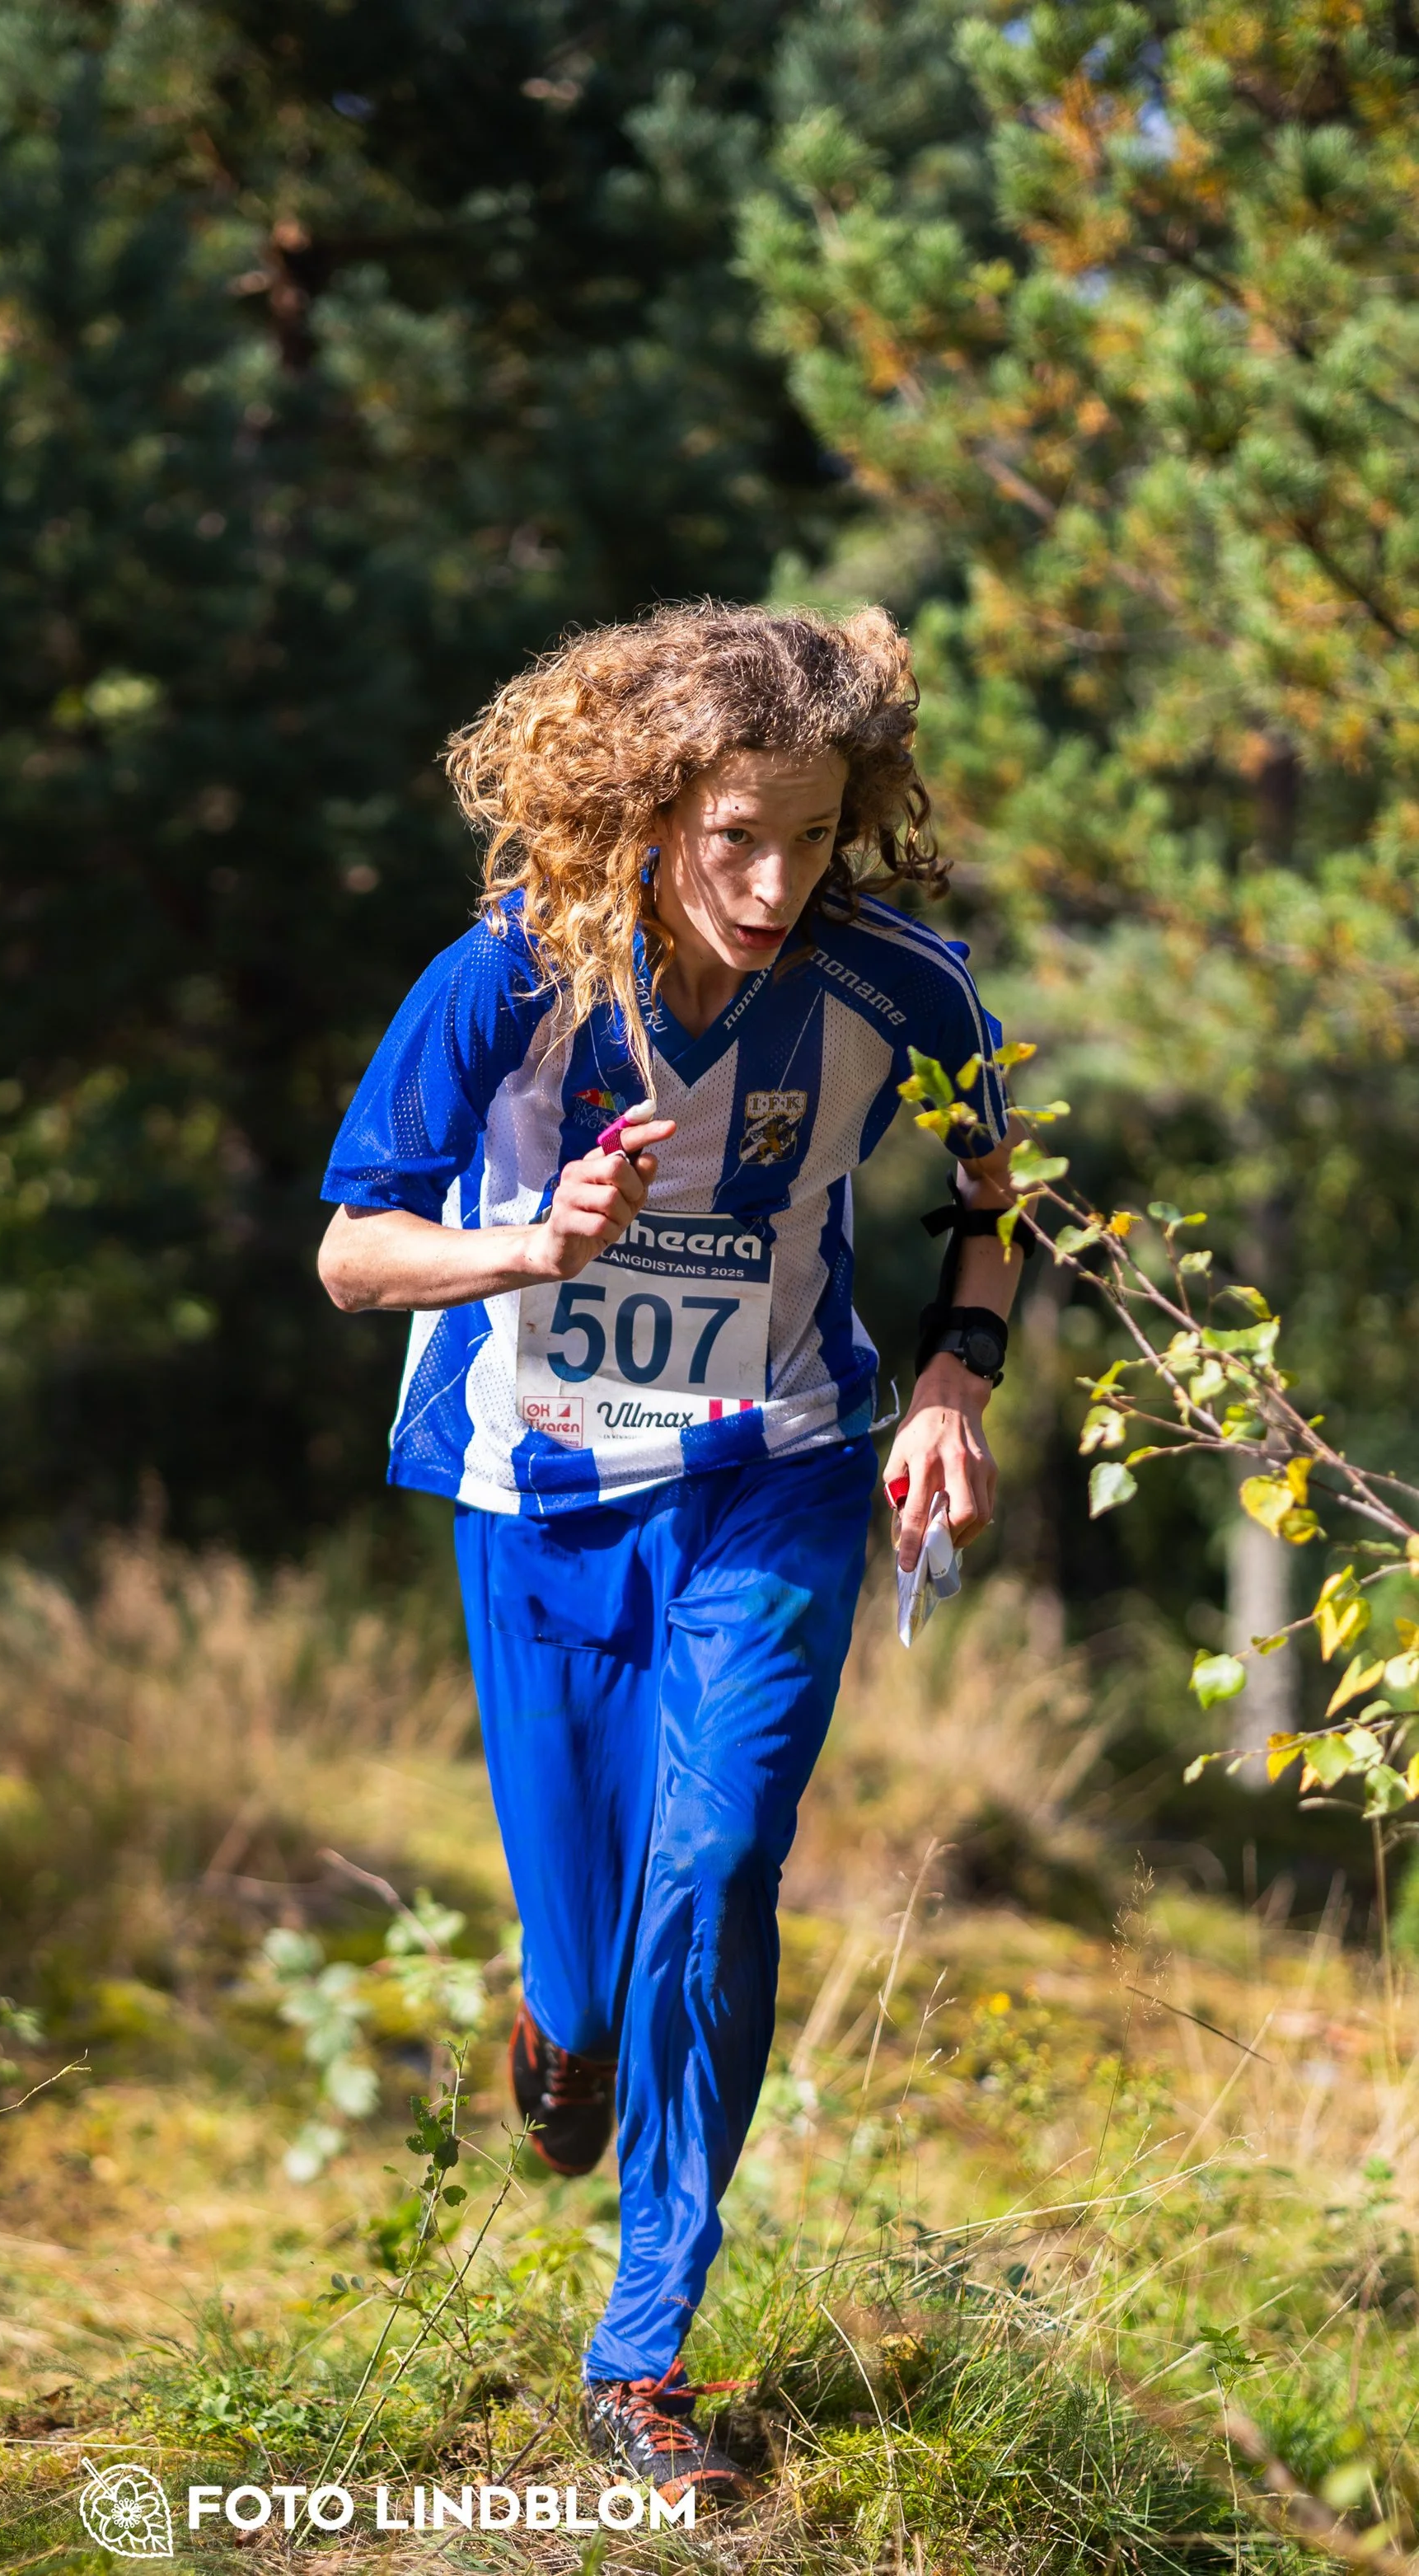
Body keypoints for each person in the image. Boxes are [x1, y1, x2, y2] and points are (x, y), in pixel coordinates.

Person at [316, 603, 1024, 2505]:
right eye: (732, 839)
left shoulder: (905, 989)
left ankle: (641, 2357)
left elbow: (1001, 1201)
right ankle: (561, 2031)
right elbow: (351, 1251)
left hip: (775, 1467)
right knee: (587, 1968)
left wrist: (952, 1379)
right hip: (538, 1492)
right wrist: (527, 1246)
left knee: (714, 1867)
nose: (774, 884)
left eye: (810, 835)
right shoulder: (506, 975)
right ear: (641, 808)